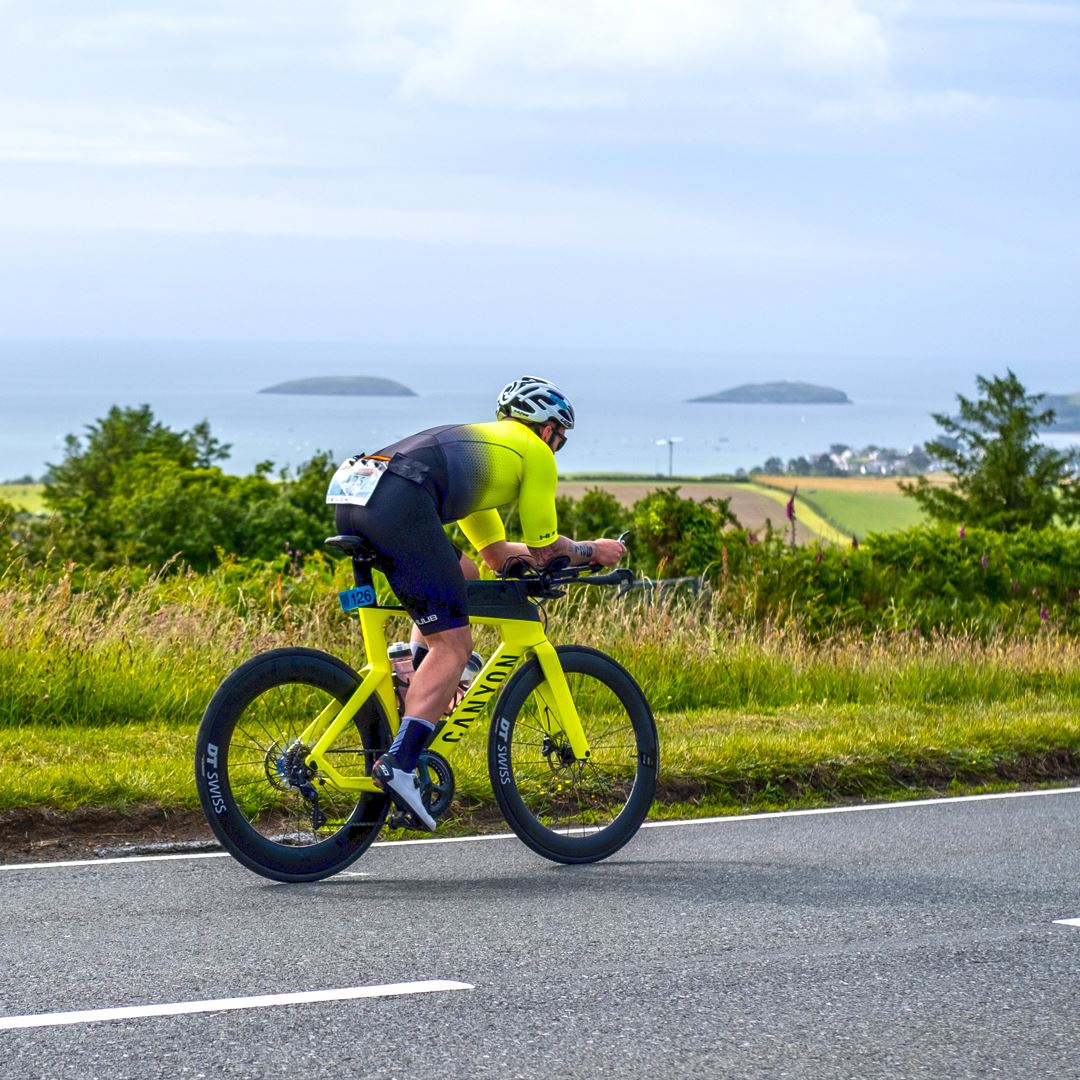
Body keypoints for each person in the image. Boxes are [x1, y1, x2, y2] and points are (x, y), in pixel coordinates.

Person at [327, 375, 626, 830]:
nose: (556, 448)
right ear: (548, 429)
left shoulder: (485, 459)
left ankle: (413, 672)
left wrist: (541, 557)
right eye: (559, 440)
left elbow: (496, 555)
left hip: (356, 490)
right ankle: (402, 764)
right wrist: (592, 551)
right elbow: (546, 550)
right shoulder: (535, 453)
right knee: (454, 644)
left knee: (462, 575)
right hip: (397, 498)